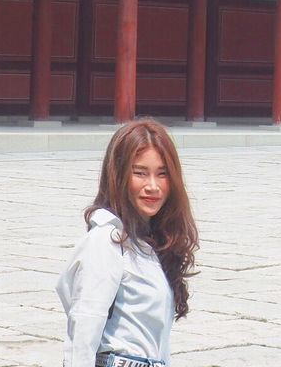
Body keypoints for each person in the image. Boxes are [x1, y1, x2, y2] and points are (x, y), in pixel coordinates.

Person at [58, 119, 199, 366]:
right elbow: (83, 329)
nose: (153, 186)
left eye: (162, 174)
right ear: (119, 175)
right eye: (140, 173)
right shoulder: (106, 241)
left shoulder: (147, 244)